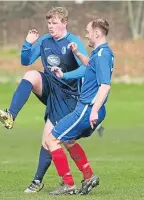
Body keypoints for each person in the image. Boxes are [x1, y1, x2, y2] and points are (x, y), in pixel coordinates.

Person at [0, 7, 89, 193]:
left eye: (54, 23)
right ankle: (11, 115)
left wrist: (65, 76)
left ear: (64, 23)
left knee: (50, 141)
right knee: (30, 74)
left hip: (68, 96)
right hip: (50, 90)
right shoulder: (44, 40)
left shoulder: (73, 42)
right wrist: (27, 44)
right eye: (49, 23)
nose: (50, 26)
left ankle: (44, 181)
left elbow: (86, 68)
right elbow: (26, 60)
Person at [45, 18, 114, 195]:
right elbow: (89, 65)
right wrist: (77, 53)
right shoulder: (100, 53)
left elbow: (105, 86)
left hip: (87, 108)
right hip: (88, 108)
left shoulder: (102, 55)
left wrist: (95, 111)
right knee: (67, 140)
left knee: (51, 139)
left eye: (88, 31)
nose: (86, 35)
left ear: (97, 33)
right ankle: (88, 176)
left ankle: (68, 184)